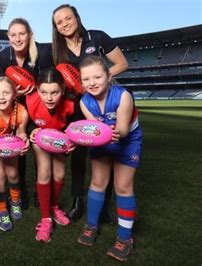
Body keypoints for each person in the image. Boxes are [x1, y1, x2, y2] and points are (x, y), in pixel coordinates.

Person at [51, 4, 128, 221]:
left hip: (103, 104)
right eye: (59, 22)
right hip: (75, 107)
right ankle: (78, 201)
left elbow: (122, 63)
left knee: (108, 151)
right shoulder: (57, 50)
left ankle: (104, 207)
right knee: (78, 155)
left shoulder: (98, 37)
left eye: (68, 18)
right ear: (56, 27)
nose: (65, 24)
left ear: (77, 17)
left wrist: (95, 80)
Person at [76, 56, 141, 262]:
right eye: (86, 79)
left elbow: (121, 130)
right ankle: (91, 226)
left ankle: (125, 238)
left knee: (122, 186)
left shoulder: (123, 96)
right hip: (102, 140)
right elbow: (93, 127)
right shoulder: (84, 101)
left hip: (126, 140)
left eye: (97, 76)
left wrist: (107, 132)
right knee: (98, 182)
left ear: (108, 75)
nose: (92, 82)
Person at [0, 18, 53, 209]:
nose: (18, 38)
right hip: (15, 110)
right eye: (13, 35)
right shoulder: (4, 56)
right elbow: (1, 86)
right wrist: (14, 94)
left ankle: (41, 192)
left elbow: (50, 83)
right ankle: (20, 193)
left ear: (30, 33)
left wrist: (35, 90)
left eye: (22, 33)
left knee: (41, 152)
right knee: (17, 153)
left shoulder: (44, 52)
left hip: (38, 109)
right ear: (8, 37)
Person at [27, 69, 78, 242]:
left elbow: (76, 128)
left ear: (62, 90)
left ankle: (54, 206)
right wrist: (31, 131)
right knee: (44, 171)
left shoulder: (71, 104)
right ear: (37, 89)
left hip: (60, 139)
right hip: (39, 137)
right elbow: (23, 122)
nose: (49, 98)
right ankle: (45, 218)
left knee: (60, 174)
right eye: (44, 92)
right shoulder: (30, 100)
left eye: (54, 92)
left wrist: (73, 141)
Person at [0, 77, 30, 232]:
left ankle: (15, 201)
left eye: (6, 92)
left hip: (12, 144)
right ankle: (2, 208)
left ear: (14, 95)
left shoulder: (22, 111)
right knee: (0, 175)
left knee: (13, 174)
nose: (2, 97)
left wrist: (24, 139)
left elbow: (21, 132)